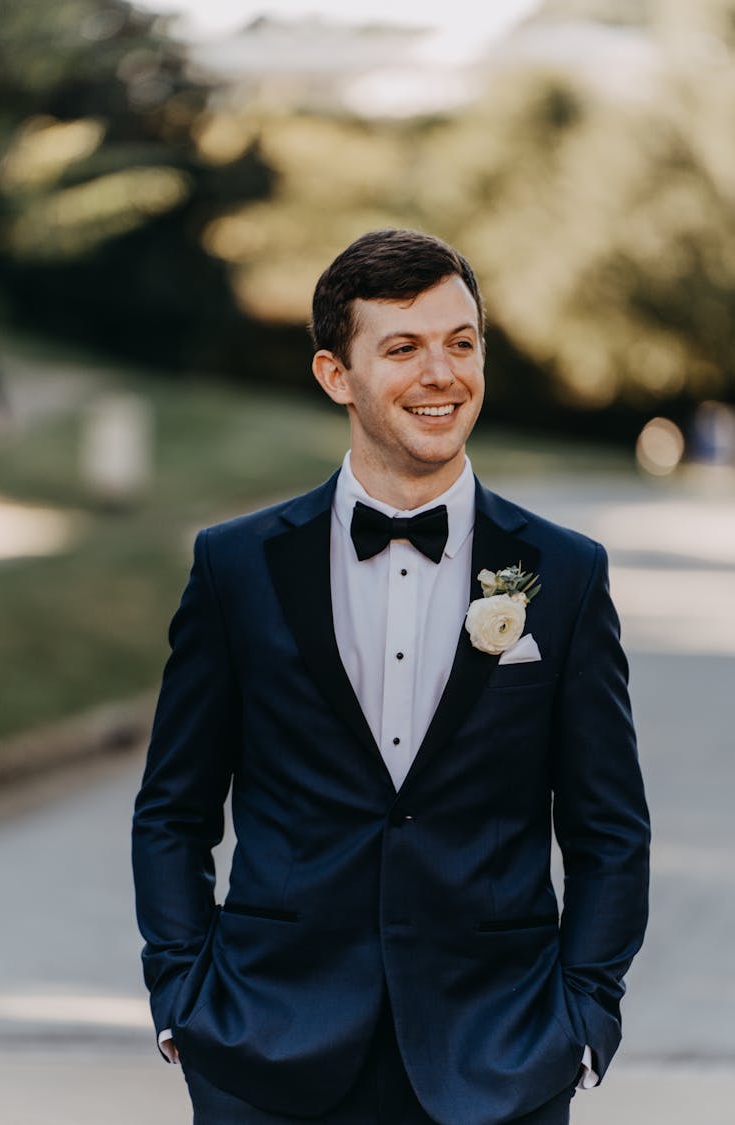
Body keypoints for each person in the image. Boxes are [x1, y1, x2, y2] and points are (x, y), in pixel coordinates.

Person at [132, 229, 650, 1125]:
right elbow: (173, 809)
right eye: (403, 348)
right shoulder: (235, 567)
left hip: (498, 1057)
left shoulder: (566, 573)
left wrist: (583, 1015)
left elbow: (610, 827)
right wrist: (185, 1000)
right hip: (266, 1053)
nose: (441, 373)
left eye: (461, 342)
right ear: (337, 375)